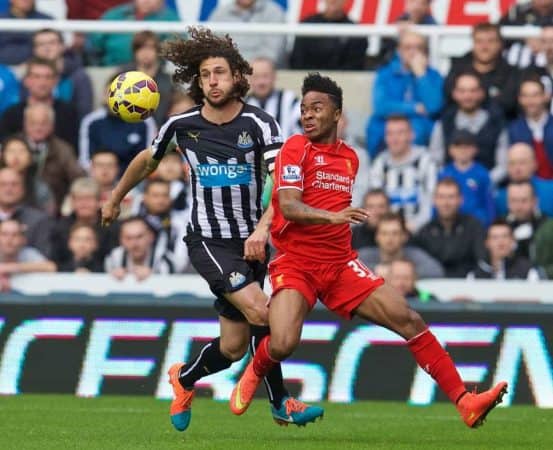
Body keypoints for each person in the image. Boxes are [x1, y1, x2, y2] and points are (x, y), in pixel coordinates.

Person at [230, 73, 507, 429]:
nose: (308, 115)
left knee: (409, 320)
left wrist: (337, 223)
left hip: (341, 264)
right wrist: (334, 217)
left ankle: (465, 401)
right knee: (282, 343)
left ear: (337, 115)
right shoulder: (295, 148)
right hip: (297, 262)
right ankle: (256, 368)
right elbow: (290, 205)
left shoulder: (350, 158)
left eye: (317, 108)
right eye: (303, 109)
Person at [100, 28, 322, 432]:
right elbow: (146, 160)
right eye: (205, 75)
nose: (213, 81)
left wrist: (261, 230)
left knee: (234, 348)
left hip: (253, 241)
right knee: (263, 312)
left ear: (238, 76)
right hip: (209, 241)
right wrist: (116, 197)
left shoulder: (260, 124)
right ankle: (280, 401)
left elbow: (282, 186)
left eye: (220, 72)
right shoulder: (182, 125)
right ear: (197, 81)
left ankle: (183, 379)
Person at [366, 30, 443, 156]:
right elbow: (380, 106)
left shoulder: (433, 76)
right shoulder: (385, 74)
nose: (413, 52)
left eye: (418, 48)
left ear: (425, 52)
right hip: (386, 127)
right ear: (399, 50)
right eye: (408, 47)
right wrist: (415, 108)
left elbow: (434, 107)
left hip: (419, 135)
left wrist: (421, 75)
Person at [429, 70, 508, 184]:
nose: (467, 96)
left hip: (487, 189)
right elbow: (435, 160)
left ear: (481, 93)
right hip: (450, 190)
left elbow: (503, 165)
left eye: (473, 91)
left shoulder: (496, 122)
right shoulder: (444, 122)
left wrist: (481, 183)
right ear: (454, 93)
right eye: (462, 91)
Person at [369, 115, 437, 233]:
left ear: (411, 135)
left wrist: (413, 226)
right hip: (387, 232)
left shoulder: (426, 161)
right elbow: (375, 204)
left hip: (421, 231)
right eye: (390, 134)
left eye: (400, 133)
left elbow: (432, 201)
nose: (395, 138)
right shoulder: (379, 163)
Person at [78, 75, 157, 173]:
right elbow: (85, 161)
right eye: (111, 94)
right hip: (98, 180)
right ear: (104, 96)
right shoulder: (91, 121)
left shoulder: (145, 121)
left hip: (136, 181)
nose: (115, 100)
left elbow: (149, 159)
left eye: (120, 95)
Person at [444, 22, 521, 119]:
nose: (484, 47)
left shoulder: (511, 73)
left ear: (500, 44)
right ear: (473, 43)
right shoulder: (457, 70)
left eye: (490, 41)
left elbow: (508, 104)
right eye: (479, 41)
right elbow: (449, 98)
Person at [0, 57, 79, 149]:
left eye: (48, 77)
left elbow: (72, 150)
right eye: (36, 77)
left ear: (56, 81)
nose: (42, 82)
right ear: (26, 80)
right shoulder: (11, 114)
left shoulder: (69, 113)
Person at [414, 177, 486, 278]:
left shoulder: (474, 227)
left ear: (461, 200)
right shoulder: (425, 232)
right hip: (433, 287)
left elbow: (482, 261)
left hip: (468, 286)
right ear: (434, 200)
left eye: (451, 197)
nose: (446, 203)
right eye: (441, 197)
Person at [89, 0, 179, 66]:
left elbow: (177, 48)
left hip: (153, 74)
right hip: (111, 70)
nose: (146, 1)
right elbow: (93, 45)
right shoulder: (113, 15)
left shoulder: (170, 19)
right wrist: (99, 65)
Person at [31, 28, 93, 122]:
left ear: (62, 46)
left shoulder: (79, 77)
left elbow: (84, 113)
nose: (47, 48)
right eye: (41, 44)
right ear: (34, 50)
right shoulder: (29, 76)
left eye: (52, 43)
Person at [357, 212, 445, 279]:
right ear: (377, 236)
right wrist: (376, 269)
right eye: (384, 233)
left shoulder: (414, 254)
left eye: (395, 233)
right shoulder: (365, 255)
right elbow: (347, 269)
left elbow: (437, 271)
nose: (389, 238)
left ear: (404, 236)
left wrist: (400, 273)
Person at [290, 0, 367, 70]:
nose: (333, 1)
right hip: (309, 82)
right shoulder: (306, 26)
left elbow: (354, 67)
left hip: (342, 82)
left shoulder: (356, 32)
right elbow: (297, 61)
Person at [438, 130, 494, 226]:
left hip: (477, 224)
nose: (463, 150)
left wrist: (490, 224)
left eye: (467, 146)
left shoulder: (482, 173)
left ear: (475, 149)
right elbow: (437, 202)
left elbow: (489, 203)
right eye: (458, 146)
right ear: (450, 149)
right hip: (451, 222)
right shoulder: (444, 174)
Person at [209, 0, 287, 67]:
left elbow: (272, 53)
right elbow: (213, 48)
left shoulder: (274, 12)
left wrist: (246, 67)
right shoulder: (219, 14)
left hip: (260, 73)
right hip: (230, 70)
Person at [120, 30, 174, 125]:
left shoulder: (167, 79)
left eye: (150, 47)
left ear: (157, 51)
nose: (145, 52)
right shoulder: (123, 76)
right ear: (135, 51)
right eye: (141, 48)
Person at [0, 167, 54, 257]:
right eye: (3, 184)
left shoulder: (38, 220)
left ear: (23, 189)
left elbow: (44, 257)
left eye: (14, 184)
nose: (9, 189)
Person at [467, 219, 545, 280]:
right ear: (487, 243)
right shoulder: (476, 273)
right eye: (495, 237)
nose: (500, 241)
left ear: (513, 241)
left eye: (505, 236)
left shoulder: (528, 271)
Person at [508, 76, 553, 179]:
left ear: (546, 96)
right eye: (525, 96)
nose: (530, 101)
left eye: (535, 95)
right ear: (519, 99)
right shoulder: (513, 129)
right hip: (525, 187)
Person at [246, 57, 301, 140]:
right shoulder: (242, 104)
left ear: (274, 76)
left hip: (285, 151)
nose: (261, 82)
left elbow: (302, 130)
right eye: (256, 77)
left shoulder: (290, 100)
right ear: (249, 79)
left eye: (265, 76)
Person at [104, 215, 175, 278]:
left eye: (139, 237)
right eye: (128, 238)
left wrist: (153, 277)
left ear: (151, 237)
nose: (134, 243)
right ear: (121, 240)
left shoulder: (164, 259)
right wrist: (111, 277)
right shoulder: (112, 258)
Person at [494, 142, 553, 217]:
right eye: (512, 163)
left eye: (522, 162)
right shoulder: (500, 197)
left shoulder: (550, 191)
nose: (517, 168)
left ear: (535, 164)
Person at [0, 135, 54, 213]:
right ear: (3, 156)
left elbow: (47, 218)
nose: (16, 156)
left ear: (30, 157)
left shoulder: (40, 189)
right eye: (11, 151)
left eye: (21, 151)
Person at [0, 218, 56, 291]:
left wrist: (9, 268)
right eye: (4, 234)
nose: (9, 239)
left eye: (15, 235)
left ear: (23, 239)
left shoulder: (27, 253)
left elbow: (51, 267)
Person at [0, 0, 52, 65]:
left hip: (40, 68)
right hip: (4, 68)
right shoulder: (1, 19)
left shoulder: (47, 21)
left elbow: (58, 49)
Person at [504, 180, 546, 259]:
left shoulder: (546, 225)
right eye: (513, 200)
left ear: (535, 201)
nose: (518, 207)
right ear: (507, 202)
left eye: (524, 200)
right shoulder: (500, 225)